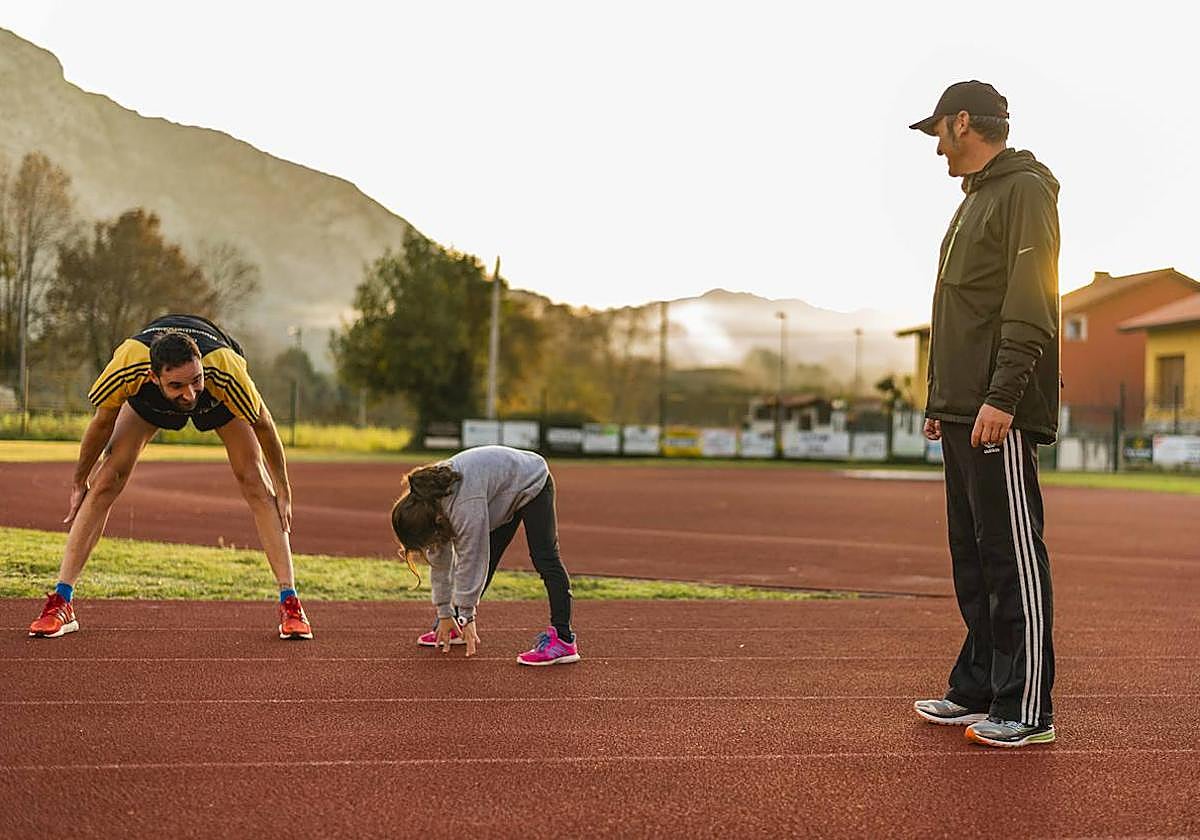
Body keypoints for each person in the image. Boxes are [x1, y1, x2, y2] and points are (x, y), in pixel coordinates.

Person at [908, 81, 1060, 747]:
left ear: (963, 122)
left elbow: (1031, 300)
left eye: (938, 132)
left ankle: (1027, 707)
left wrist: (1001, 395)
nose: (936, 147)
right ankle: (977, 687)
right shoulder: (975, 199)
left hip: (998, 411)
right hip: (963, 409)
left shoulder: (1023, 189)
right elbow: (962, 312)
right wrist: (944, 399)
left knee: (1009, 557)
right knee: (971, 557)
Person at [27, 314, 313, 640]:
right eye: (178, 385)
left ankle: (290, 602)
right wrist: (80, 479)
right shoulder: (128, 364)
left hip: (218, 398)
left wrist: (284, 487)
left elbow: (263, 424)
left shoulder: (223, 368)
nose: (190, 395)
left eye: (195, 381)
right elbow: (102, 422)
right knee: (107, 478)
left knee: (254, 479)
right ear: (153, 376)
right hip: (149, 402)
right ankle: (61, 602)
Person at [390, 445, 579, 666]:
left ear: (434, 522)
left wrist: (468, 616)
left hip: (531, 479)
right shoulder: (427, 505)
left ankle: (563, 640)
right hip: (499, 491)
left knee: (545, 558)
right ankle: (455, 625)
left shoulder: (463, 506)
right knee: (489, 557)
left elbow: (472, 559)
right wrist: (444, 613)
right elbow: (440, 562)